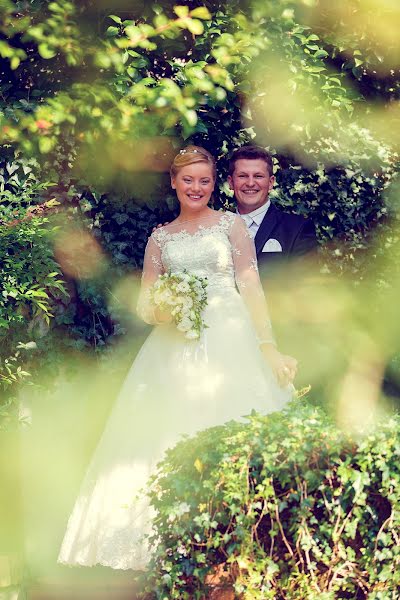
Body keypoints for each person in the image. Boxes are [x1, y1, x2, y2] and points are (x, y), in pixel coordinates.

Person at [58, 146, 295, 572]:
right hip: (173, 345)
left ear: (213, 183)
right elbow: (146, 304)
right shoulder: (159, 238)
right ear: (174, 182)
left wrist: (268, 344)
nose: (197, 188)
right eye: (189, 180)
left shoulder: (232, 226)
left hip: (231, 337)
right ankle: (167, 547)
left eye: (205, 181)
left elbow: (251, 286)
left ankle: (238, 546)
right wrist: (166, 307)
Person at [228, 145, 318, 278]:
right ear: (231, 182)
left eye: (258, 176)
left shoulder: (298, 229)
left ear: (270, 183)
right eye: (242, 176)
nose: (250, 183)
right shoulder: (217, 228)